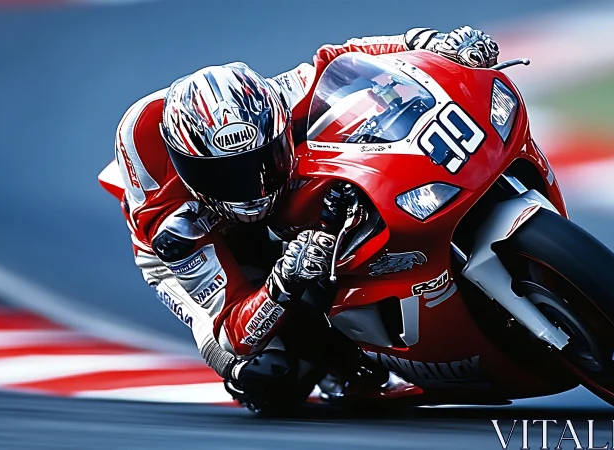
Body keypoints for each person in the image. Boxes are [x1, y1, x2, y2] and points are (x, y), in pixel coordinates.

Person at [114, 26, 499, 412]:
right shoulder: (171, 227)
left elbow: (341, 59)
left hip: (284, 188)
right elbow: (232, 331)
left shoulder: (275, 99)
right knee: (264, 374)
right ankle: (343, 366)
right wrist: (284, 279)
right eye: (226, 176)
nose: (253, 189)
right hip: (201, 240)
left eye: (264, 162)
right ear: (187, 169)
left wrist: (428, 43)